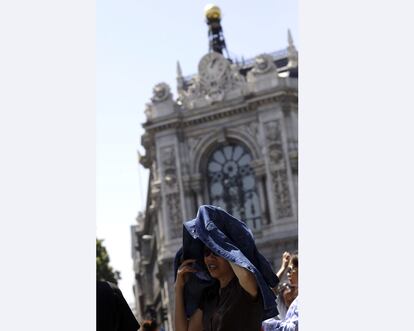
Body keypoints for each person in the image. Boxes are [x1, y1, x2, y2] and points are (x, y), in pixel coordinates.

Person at [174, 205, 279, 331]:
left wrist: (221, 243)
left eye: (216, 252)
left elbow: (245, 275)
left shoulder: (244, 287)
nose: (209, 258)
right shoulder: (210, 296)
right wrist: (178, 287)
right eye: (206, 253)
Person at [262, 254, 298, 331]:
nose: (288, 274)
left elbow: (294, 328)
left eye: (291, 269)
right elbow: (271, 291)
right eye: (287, 271)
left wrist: (265, 324)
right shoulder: (287, 312)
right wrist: (283, 268)